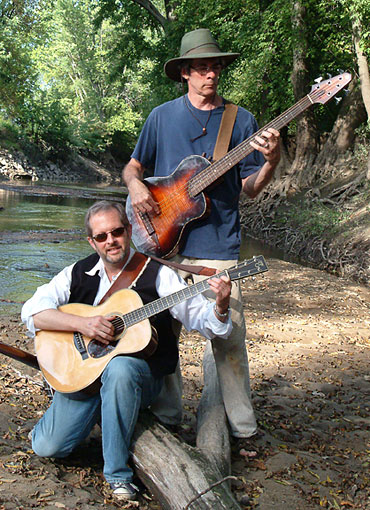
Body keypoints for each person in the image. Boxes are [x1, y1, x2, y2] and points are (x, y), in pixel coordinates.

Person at [122, 28, 281, 439]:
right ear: (185, 74)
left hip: (219, 246)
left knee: (229, 341)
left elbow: (249, 187)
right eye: (202, 67)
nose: (211, 74)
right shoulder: (161, 116)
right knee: (163, 338)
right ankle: (167, 416)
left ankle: (243, 428)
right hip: (165, 249)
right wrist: (137, 187)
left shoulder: (240, 120)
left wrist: (271, 161)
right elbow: (133, 167)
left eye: (215, 67)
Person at [21, 200, 232, 501]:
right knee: (47, 448)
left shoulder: (157, 274)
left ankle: (118, 475)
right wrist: (84, 324)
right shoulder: (77, 272)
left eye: (117, 232)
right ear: (91, 241)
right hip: (88, 371)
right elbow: (32, 313)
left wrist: (222, 305)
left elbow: (204, 321)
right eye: (102, 236)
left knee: (120, 368)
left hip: (138, 378)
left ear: (129, 230)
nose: (111, 241)